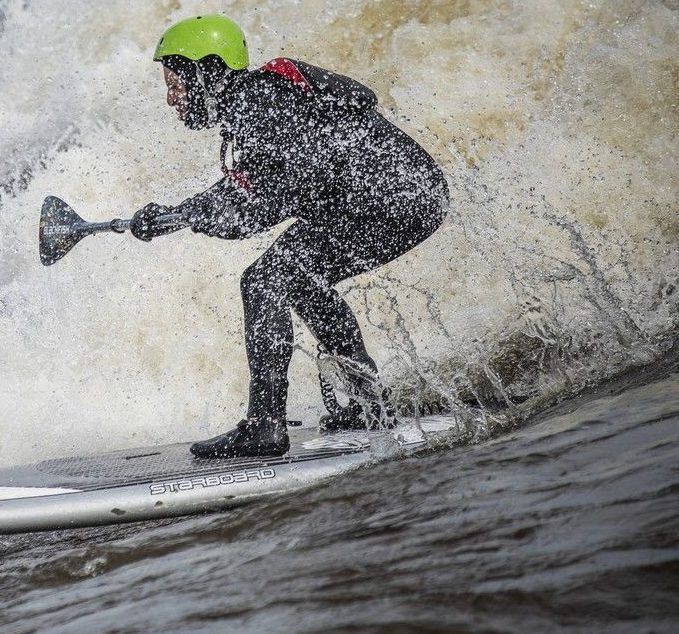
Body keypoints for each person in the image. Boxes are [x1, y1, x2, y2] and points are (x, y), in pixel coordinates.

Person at [128, 15, 448, 459]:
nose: (171, 99)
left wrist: (181, 215)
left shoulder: (259, 102)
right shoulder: (261, 102)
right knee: (296, 276)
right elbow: (257, 197)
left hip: (391, 196)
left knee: (265, 279)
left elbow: (261, 205)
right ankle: (370, 403)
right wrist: (182, 215)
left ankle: (265, 426)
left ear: (206, 70)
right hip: (410, 192)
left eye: (175, 84)